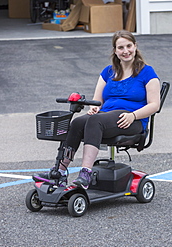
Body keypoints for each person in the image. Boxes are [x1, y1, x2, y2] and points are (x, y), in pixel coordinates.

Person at [33, 30, 161, 189]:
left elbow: (154, 105)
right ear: (115, 50)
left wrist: (133, 116)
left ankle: (85, 173)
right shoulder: (108, 71)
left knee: (95, 120)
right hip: (105, 117)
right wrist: (94, 108)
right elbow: (97, 101)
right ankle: (60, 171)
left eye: (129, 46)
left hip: (131, 119)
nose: (125, 51)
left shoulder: (147, 72)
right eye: (121, 47)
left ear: (135, 46)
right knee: (78, 122)